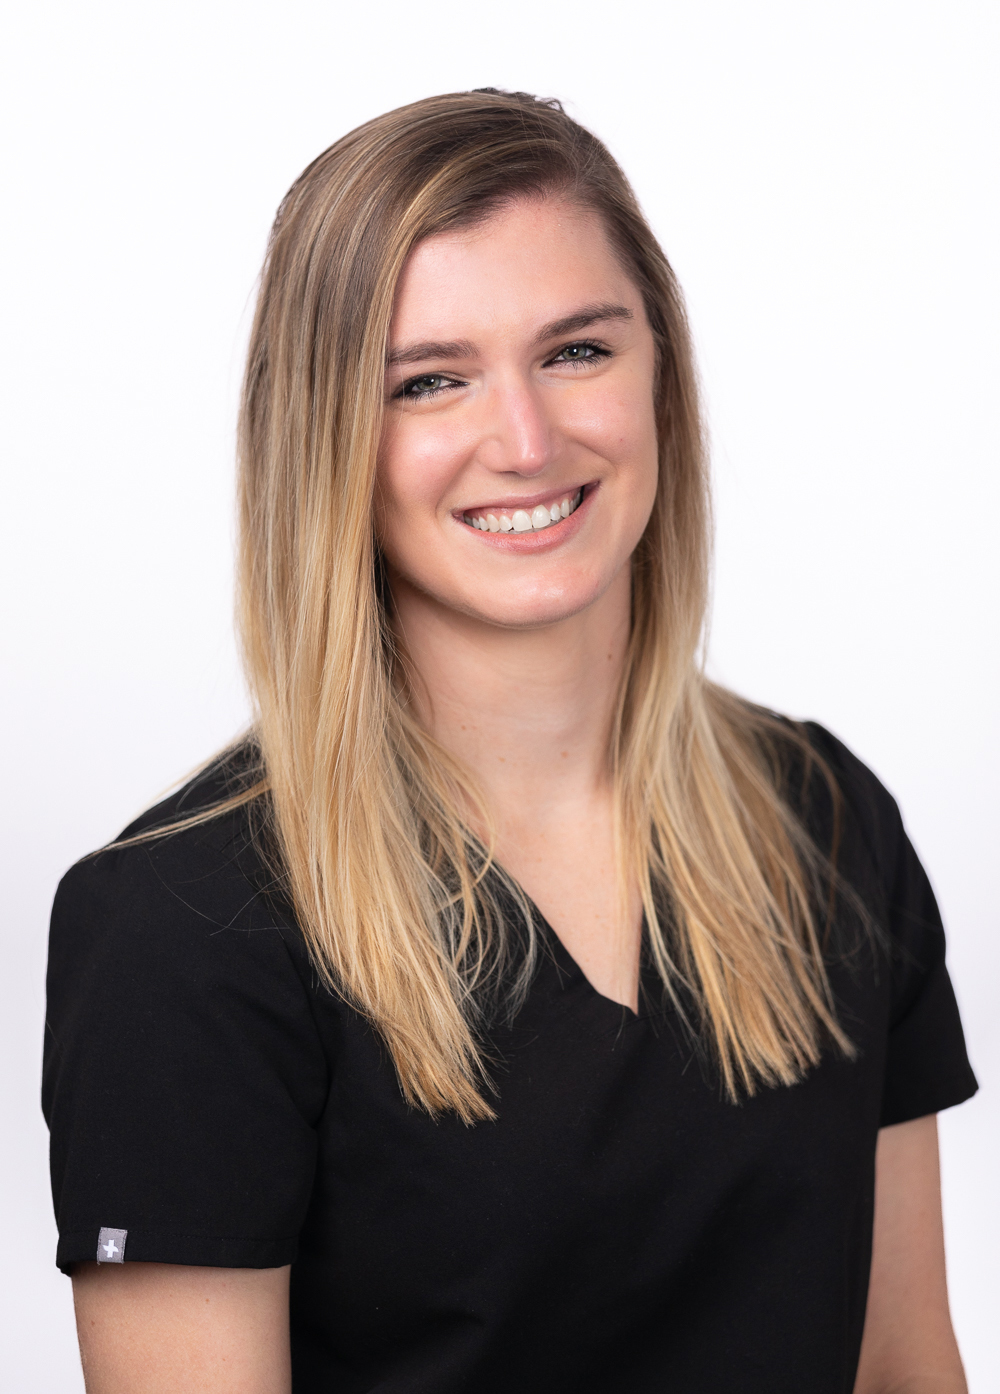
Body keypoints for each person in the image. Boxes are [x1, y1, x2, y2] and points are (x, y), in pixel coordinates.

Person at [43, 89, 977, 1394]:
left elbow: (904, 1368)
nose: (527, 440)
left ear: (661, 368)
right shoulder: (183, 926)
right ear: (326, 440)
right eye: (430, 381)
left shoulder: (825, 820)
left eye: (578, 351)